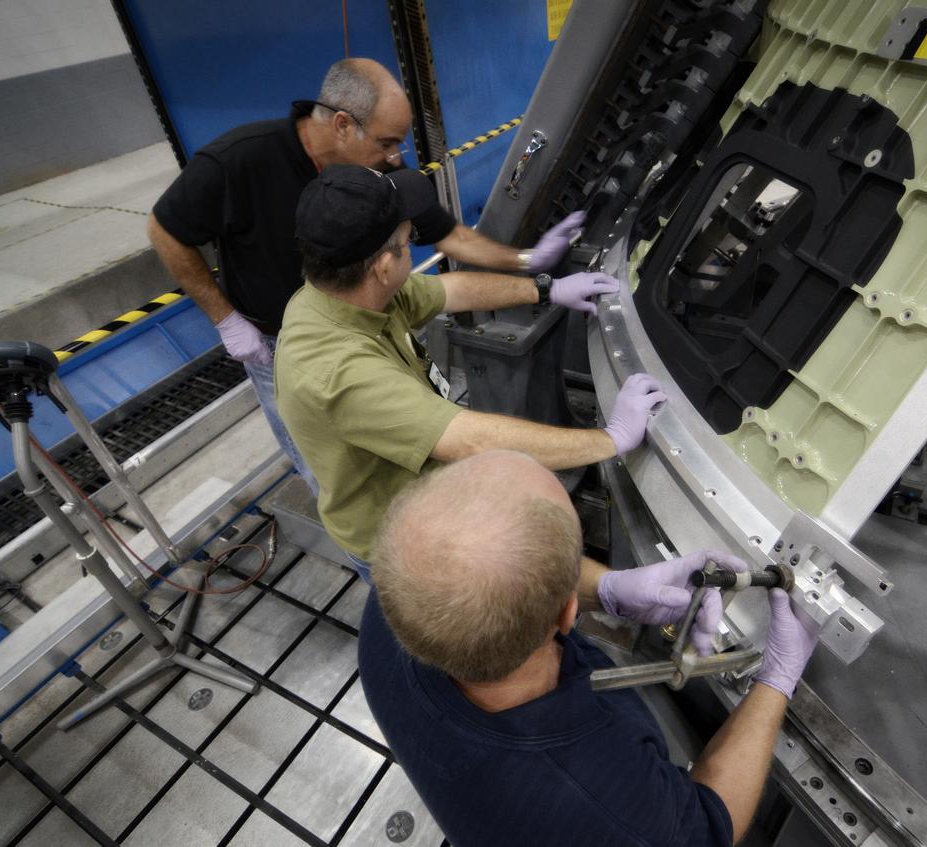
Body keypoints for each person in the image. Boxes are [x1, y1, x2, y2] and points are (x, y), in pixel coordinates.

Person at [147, 58, 585, 494]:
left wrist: (529, 263)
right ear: (342, 125)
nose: (395, 157)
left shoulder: (376, 172)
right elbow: (164, 230)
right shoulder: (239, 161)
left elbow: (448, 258)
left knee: (398, 444)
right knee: (336, 471)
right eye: (388, 142)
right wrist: (225, 319)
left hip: (366, 320)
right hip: (277, 342)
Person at [360, 450, 820, 846]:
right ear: (567, 613)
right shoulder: (609, 808)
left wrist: (609, 587)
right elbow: (706, 830)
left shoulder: (395, 600)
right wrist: (777, 679)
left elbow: (480, 567)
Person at [275, 165, 665, 581]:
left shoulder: (354, 295)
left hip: (430, 491)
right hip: (402, 543)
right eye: (409, 242)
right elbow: (472, 439)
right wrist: (610, 439)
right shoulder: (334, 371)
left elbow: (451, 291)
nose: (415, 250)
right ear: (381, 266)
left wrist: (547, 289)